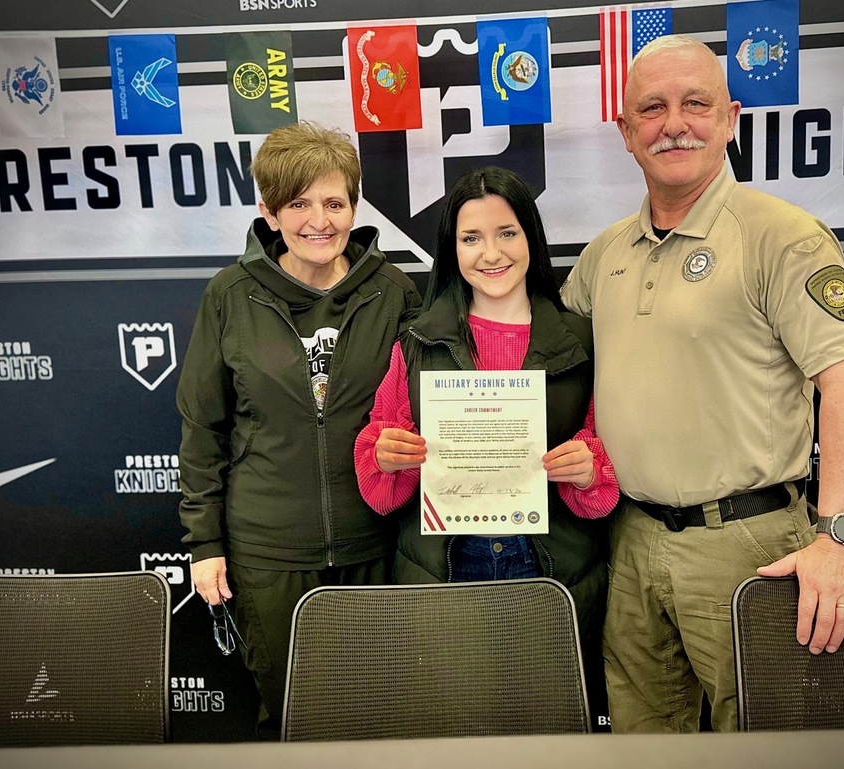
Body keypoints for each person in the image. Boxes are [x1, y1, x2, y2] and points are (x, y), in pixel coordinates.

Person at [560, 35, 844, 733]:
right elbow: (543, 365)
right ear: (625, 131)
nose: (674, 122)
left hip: (749, 545)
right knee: (642, 738)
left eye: (695, 103)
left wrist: (842, 538)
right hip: (632, 540)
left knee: (768, 739)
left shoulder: (783, 237)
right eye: (652, 108)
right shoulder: (602, 256)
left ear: (730, 117)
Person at [176, 121, 420, 739]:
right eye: (299, 203)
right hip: (268, 552)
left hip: (375, 543)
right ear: (269, 210)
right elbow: (203, 427)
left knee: (380, 713)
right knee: (293, 715)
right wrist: (205, 545)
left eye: (335, 202)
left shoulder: (394, 293)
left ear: (355, 207)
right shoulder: (230, 295)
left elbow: (425, 409)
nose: (320, 219)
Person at [354, 166, 619, 707]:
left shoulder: (582, 341)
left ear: (531, 239)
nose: (490, 253)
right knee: (454, 729)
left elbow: (605, 475)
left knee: (550, 727)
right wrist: (386, 455)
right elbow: (381, 492)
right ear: (451, 250)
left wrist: (590, 469)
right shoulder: (418, 342)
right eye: (470, 238)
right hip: (443, 565)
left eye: (507, 233)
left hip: (550, 566)